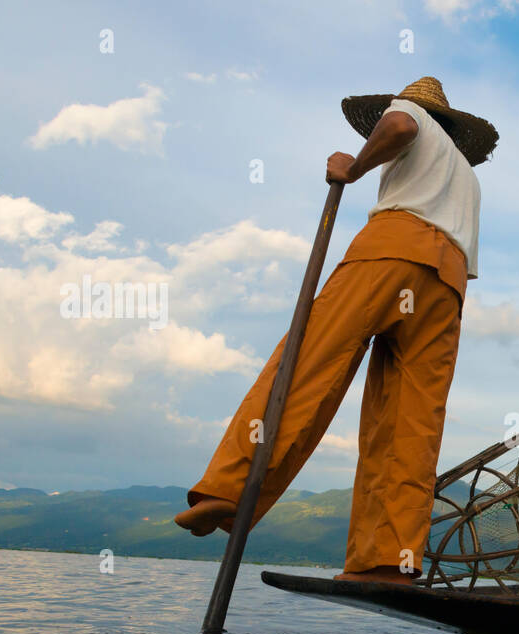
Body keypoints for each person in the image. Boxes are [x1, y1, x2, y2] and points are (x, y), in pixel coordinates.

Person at [172, 77, 498, 586]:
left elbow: (399, 124)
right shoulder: (466, 174)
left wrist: (355, 166)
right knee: (411, 423)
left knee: (309, 360)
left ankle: (229, 488)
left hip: (392, 249)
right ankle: (389, 560)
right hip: (447, 283)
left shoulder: (411, 114)